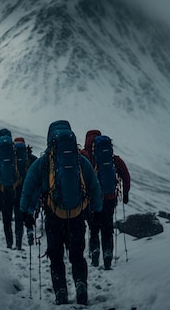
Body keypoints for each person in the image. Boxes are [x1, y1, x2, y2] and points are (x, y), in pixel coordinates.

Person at [20, 120, 102, 305]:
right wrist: (96, 211)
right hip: (77, 216)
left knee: (56, 258)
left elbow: (28, 186)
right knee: (77, 257)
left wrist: (25, 212)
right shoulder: (81, 161)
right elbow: (94, 186)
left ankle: (61, 292)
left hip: (53, 217)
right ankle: (81, 286)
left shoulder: (43, 162)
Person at [80, 129, 131, 270]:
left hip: (91, 200)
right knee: (107, 228)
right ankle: (107, 253)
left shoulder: (83, 156)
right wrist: (125, 193)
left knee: (94, 228)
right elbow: (125, 174)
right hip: (109, 198)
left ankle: (95, 251)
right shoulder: (112, 158)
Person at [12, 136, 38, 250]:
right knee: (28, 214)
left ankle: (18, 242)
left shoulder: (12, 157)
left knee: (18, 216)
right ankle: (30, 231)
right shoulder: (32, 158)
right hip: (30, 193)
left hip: (16, 192)